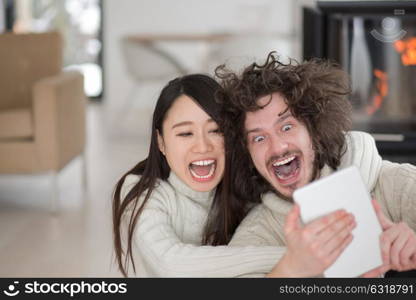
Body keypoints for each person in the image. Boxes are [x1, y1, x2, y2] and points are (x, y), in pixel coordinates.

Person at [215, 52, 416, 277]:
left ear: (314, 132)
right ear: (248, 154)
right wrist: (289, 270)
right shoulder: (257, 234)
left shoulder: (395, 185)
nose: (278, 147)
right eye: (259, 138)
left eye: (287, 127)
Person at [112, 73, 295, 277]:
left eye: (216, 130)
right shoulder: (140, 191)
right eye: (185, 133)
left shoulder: (243, 184)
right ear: (161, 142)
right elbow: (171, 264)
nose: (202, 146)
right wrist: (295, 258)